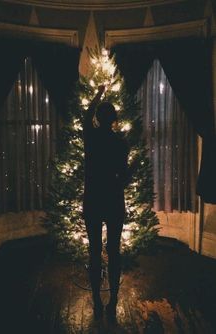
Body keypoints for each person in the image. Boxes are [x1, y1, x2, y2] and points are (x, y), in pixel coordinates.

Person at [83, 85, 128, 321]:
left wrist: (98, 94)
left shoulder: (90, 137)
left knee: (94, 251)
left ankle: (98, 302)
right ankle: (114, 300)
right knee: (114, 249)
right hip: (113, 200)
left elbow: (85, 117)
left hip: (92, 200)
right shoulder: (121, 143)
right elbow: (125, 175)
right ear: (114, 120)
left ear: (98, 119)